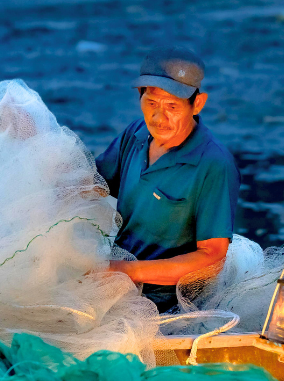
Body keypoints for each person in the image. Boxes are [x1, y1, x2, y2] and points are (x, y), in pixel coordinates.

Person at [96, 46, 241, 312]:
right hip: (117, 282)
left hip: (167, 303)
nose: (159, 118)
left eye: (172, 106)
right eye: (151, 103)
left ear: (197, 104)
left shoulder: (214, 163)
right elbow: (94, 184)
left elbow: (212, 258)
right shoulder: (136, 133)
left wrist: (126, 270)